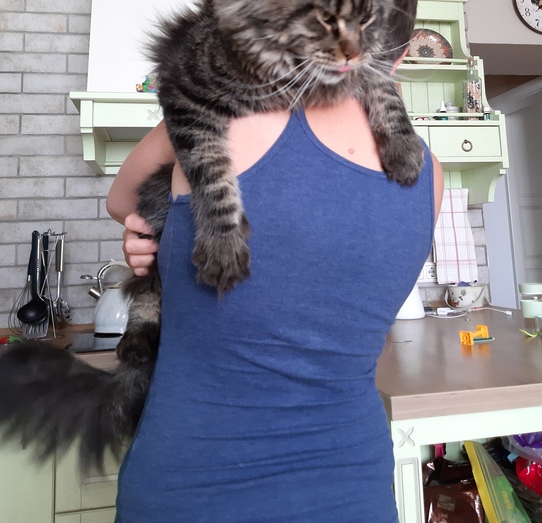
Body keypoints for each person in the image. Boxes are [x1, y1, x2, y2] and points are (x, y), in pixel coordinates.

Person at [106, 90, 443, 523]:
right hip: (354, 490)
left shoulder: (214, 105)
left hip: (190, 485)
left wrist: (160, 234)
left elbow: (122, 202)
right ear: (400, 59)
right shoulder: (428, 171)